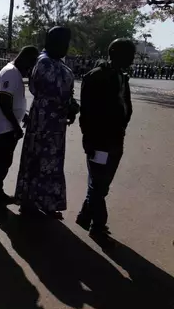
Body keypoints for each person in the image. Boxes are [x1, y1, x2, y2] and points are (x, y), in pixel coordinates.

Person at [76, 39, 136, 241]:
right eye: (129, 53)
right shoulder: (96, 76)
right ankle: (98, 226)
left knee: (102, 183)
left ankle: (85, 215)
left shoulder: (122, 77)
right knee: (98, 184)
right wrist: (88, 140)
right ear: (114, 52)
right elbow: (87, 111)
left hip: (116, 140)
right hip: (99, 140)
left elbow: (125, 106)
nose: (132, 58)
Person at [15, 27, 77, 219]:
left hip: (55, 125)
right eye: (64, 43)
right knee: (36, 161)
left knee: (53, 164)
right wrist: (70, 105)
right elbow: (54, 91)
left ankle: (48, 202)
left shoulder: (58, 63)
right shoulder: (44, 63)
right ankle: (29, 202)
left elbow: (66, 92)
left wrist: (72, 105)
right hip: (43, 123)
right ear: (52, 43)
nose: (67, 47)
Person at [0, 46, 40, 210]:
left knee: (3, 162)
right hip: (3, 127)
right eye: (31, 64)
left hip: (6, 125)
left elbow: (12, 101)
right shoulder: (11, 73)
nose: (30, 69)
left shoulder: (14, 72)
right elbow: (4, 101)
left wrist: (23, 116)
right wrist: (16, 126)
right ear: (26, 59)